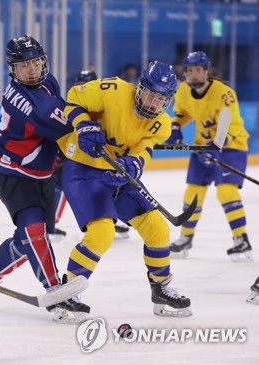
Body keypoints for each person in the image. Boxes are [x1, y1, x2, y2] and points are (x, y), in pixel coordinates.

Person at [0, 35, 90, 323]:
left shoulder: (49, 82)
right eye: (24, 66)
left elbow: (69, 116)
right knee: (35, 231)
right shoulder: (27, 101)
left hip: (40, 171)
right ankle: (55, 292)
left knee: (26, 240)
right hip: (12, 172)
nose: (32, 69)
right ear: (13, 69)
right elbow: (70, 126)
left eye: (36, 62)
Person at [57, 61, 192, 317]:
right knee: (102, 233)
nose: (153, 104)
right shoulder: (112, 90)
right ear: (140, 87)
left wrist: (133, 164)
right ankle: (68, 292)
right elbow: (72, 99)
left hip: (116, 175)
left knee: (158, 228)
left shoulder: (161, 124)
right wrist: (84, 124)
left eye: (160, 100)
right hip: (83, 169)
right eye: (151, 95)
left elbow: (144, 152)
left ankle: (160, 287)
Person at [166, 51, 252, 263]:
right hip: (202, 146)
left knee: (225, 191)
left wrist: (215, 148)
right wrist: (175, 127)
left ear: (206, 72)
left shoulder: (224, 93)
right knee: (193, 191)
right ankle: (186, 238)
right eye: (189, 70)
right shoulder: (183, 90)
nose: (193, 74)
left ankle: (241, 240)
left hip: (232, 146)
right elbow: (182, 112)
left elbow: (230, 125)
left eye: (198, 70)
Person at [53, 70, 130, 240]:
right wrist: (58, 154)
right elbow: (59, 131)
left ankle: (110, 219)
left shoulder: (105, 110)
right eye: (79, 84)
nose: (82, 88)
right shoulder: (70, 107)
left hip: (102, 159)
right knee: (59, 183)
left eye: (86, 85)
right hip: (73, 158)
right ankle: (51, 223)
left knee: (112, 184)